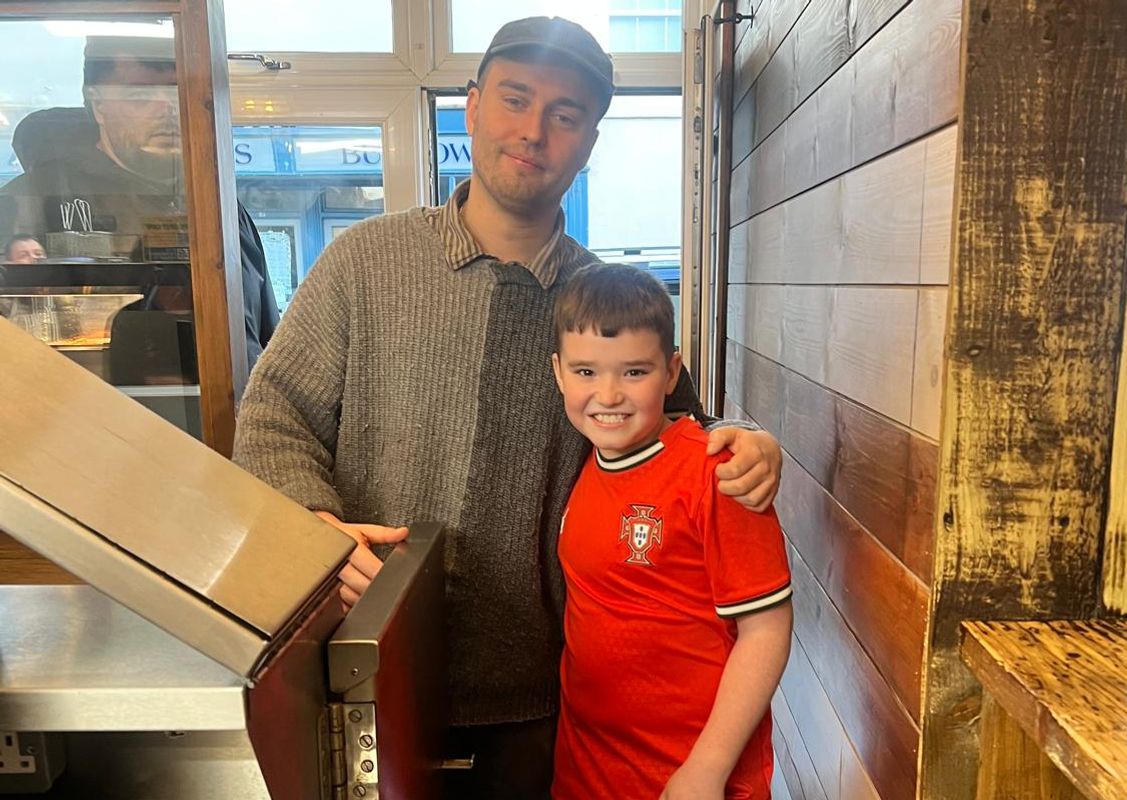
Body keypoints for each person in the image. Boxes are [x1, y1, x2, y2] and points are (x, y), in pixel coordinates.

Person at [232, 17, 782, 798]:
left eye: (566, 114)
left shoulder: (604, 297)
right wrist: (312, 525)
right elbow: (273, 415)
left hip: (543, 696)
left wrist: (749, 436)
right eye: (515, 100)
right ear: (472, 105)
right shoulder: (365, 261)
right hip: (364, 668)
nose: (534, 131)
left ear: (590, 140)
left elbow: (684, 426)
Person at [550, 263, 792, 800]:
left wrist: (706, 770)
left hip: (693, 776)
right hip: (589, 771)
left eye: (634, 372)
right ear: (559, 372)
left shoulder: (719, 473)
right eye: (587, 372)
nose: (608, 395)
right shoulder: (585, 462)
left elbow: (767, 631)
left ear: (671, 371)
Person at [0, 36, 278, 366]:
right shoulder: (30, 201)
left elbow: (262, 334)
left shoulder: (220, 208)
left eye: (177, 92)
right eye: (139, 95)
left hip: (222, 407)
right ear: (98, 105)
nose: (168, 109)